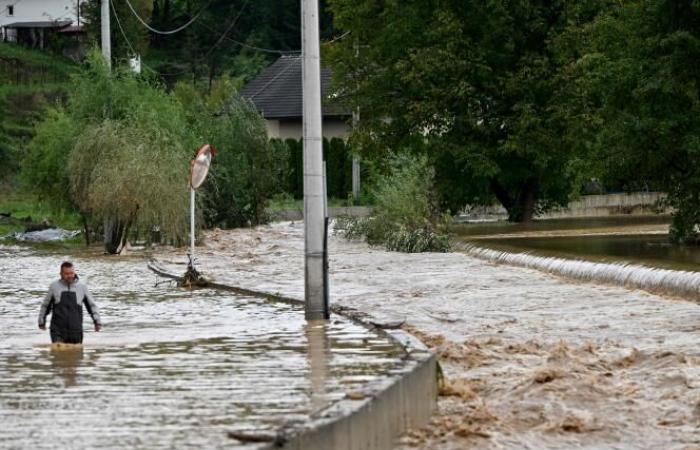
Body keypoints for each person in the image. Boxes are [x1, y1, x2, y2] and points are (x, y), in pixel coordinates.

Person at [38, 261, 102, 344]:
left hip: (76, 331)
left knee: (76, 355)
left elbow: (92, 306)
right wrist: (41, 321)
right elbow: (45, 306)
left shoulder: (82, 287)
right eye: (66, 274)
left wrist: (97, 321)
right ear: (61, 274)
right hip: (57, 331)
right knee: (57, 354)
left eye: (71, 273)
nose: (70, 276)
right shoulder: (54, 287)